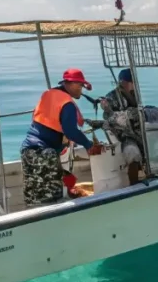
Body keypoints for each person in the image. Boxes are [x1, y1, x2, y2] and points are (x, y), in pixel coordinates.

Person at [20, 68, 102, 207]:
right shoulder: (67, 103)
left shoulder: (48, 94)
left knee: (32, 195)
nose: (81, 90)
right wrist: (88, 145)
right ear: (70, 84)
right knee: (52, 200)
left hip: (28, 151)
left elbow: (43, 122)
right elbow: (70, 131)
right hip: (45, 154)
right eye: (80, 85)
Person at [100, 68, 144, 184]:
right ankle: (134, 183)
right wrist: (108, 109)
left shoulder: (134, 95)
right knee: (132, 152)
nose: (133, 85)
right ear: (123, 82)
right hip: (123, 134)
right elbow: (108, 117)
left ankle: (150, 173)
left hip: (138, 131)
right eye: (130, 82)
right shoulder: (111, 97)